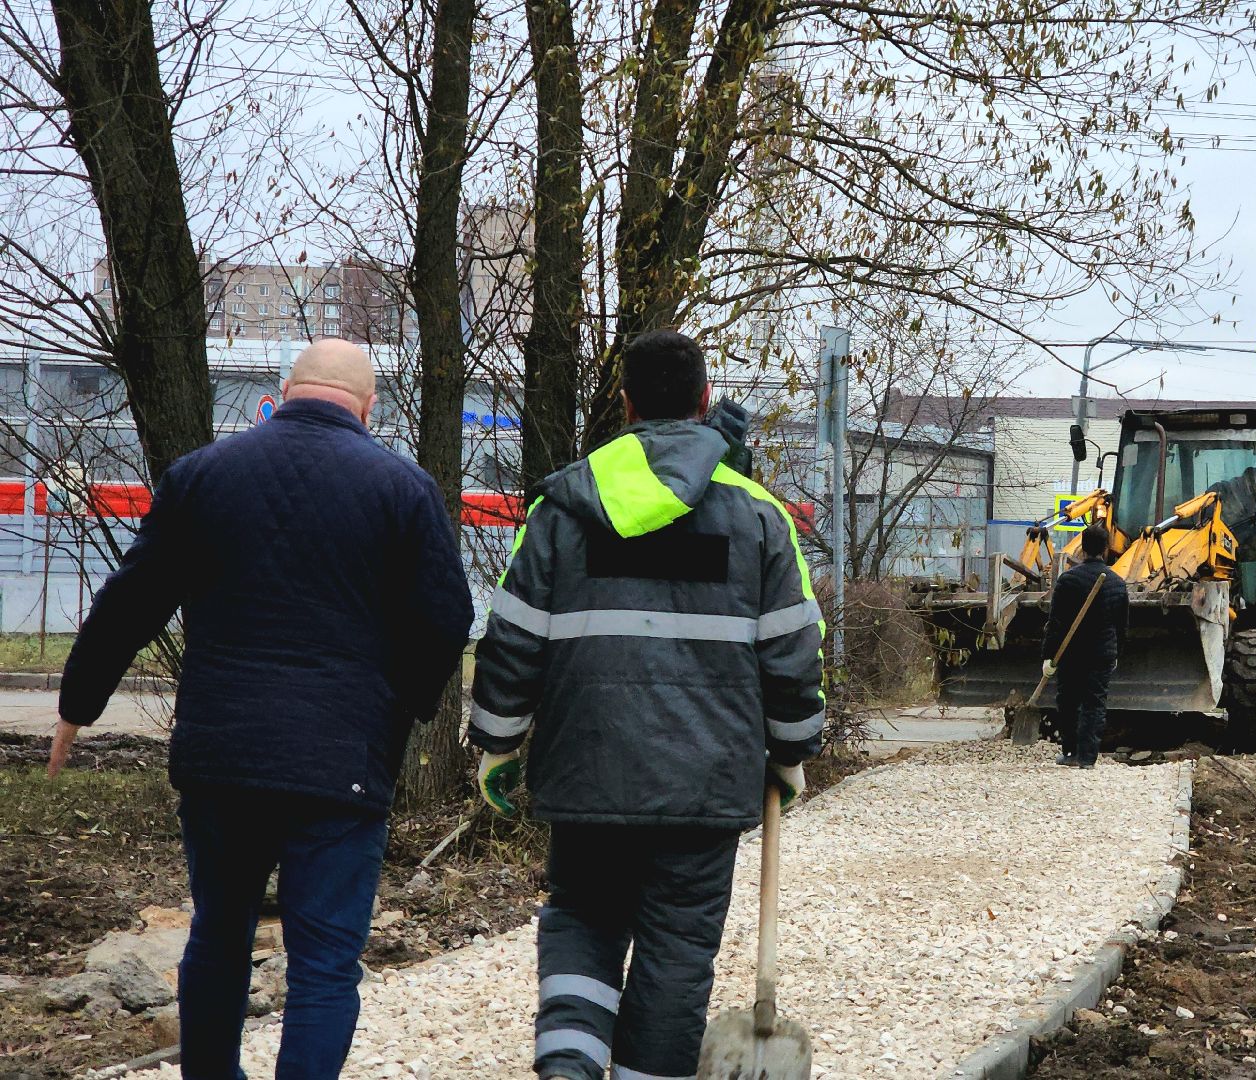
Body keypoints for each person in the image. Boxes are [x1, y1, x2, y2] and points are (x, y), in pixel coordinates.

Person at [48, 339, 474, 1080]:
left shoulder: (203, 475)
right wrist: (399, 710)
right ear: (369, 408)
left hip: (222, 756)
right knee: (324, 961)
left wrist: (78, 705)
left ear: (284, 391)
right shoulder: (403, 489)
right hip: (340, 760)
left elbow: (131, 601)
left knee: (218, 935)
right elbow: (445, 620)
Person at [467, 329, 824, 1080]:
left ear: (624, 404)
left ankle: (568, 1066)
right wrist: (789, 755)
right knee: (677, 951)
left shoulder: (563, 507)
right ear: (702, 402)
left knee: (584, 920)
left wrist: (498, 743)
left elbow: (512, 638)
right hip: (705, 783)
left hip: (585, 767)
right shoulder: (759, 518)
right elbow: (792, 655)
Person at [1042, 523, 1128, 770]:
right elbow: (1122, 625)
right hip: (1102, 654)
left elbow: (1055, 623)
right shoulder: (1117, 583)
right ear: (1105, 549)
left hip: (1071, 654)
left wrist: (1048, 657)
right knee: (1095, 704)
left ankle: (1070, 752)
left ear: (1082, 548)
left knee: (1068, 702)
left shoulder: (1068, 580)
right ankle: (1088, 758)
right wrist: (1116, 653)